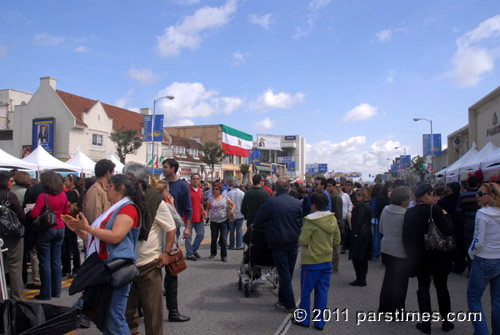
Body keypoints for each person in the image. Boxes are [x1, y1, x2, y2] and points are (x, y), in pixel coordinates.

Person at [66, 174, 144, 334]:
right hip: (106, 268)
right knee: (107, 317)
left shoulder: (128, 208)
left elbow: (116, 236)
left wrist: (88, 229)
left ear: (121, 188)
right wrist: (80, 230)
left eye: (109, 187)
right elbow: (98, 239)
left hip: (116, 269)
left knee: (113, 317)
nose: (106, 190)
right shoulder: (116, 208)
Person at [123, 163, 176, 335]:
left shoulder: (154, 200)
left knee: (152, 314)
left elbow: (171, 228)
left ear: (138, 181)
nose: (125, 184)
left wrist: (166, 253)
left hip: (148, 265)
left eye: (128, 180)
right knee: (127, 313)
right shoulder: (123, 200)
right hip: (125, 264)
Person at [403, 183, 455, 334]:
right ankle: (446, 322)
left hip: (420, 257)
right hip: (439, 255)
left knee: (423, 289)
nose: (435, 197)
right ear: (426, 195)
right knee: (442, 288)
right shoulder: (436, 210)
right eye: (433, 194)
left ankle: (426, 323)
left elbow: (406, 237)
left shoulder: (410, 212)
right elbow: (448, 230)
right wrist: (447, 217)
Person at [253, 179, 302, 312]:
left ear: (276, 189)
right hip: (293, 241)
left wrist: (257, 226)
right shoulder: (297, 203)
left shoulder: (271, 202)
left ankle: (289, 303)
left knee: (284, 273)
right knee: (287, 273)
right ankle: (283, 299)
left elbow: (258, 221)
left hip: (278, 241)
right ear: (289, 189)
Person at [294, 192, 340, 330]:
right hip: (326, 260)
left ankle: (304, 319)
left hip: (311, 261)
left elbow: (303, 240)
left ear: (313, 205)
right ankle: (320, 321)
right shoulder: (333, 219)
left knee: (306, 292)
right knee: (322, 291)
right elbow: (337, 240)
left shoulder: (310, 220)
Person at [467, 182, 500, 335]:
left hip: (484, 258)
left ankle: (482, 332)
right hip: (498, 258)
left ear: (492, 196)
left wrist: (471, 253)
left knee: (473, 299)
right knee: (497, 301)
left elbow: (478, 241)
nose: (477, 196)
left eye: (481, 194)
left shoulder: (483, 213)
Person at [30, 170, 68, 300]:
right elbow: (66, 211)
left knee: (44, 261)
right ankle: (56, 290)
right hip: (60, 228)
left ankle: (46, 292)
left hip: (47, 229)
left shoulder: (43, 196)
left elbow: (34, 214)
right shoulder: (63, 195)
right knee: (56, 260)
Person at [161, 158, 191, 322]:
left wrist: (187, 227)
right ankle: (141, 307)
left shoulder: (182, 186)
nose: (163, 169)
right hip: (158, 233)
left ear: (173, 169)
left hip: (173, 231)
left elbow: (188, 209)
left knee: (172, 270)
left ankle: (173, 311)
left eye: (165, 167)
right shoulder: (160, 184)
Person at [378, 186, 411, 313]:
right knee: (401, 282)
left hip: (386, 248)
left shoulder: (386, 210)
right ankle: (398, 310)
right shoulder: (406, 214)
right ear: (404, 200)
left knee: (388, 279)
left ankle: (384, 307)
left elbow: (381, 229)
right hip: (400, 251)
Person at [0, 171, 25, 299]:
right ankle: (16, 298)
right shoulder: (10, 196)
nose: (13, 183)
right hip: (12, 235)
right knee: (15, 266)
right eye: (11, 181)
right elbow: (21, 215)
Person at [348, 187, 372, 287]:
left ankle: (360, 278)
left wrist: (355, 233)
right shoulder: (365, 206)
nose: (356, 196)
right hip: (365, 234)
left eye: (359, 195)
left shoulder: (362, 207)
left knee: (357, 257)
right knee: (362, 258)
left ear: (364, 196)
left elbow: (359, 221)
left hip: (360, 235)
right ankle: (362, 278)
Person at [205, 182, 235, 262]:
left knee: (223, 239)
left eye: (217, 189)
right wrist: (206, 215)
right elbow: (207, 209)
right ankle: (213, 253)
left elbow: (233, 205)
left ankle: (224, 256)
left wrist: (232, 210)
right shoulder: (210, 199)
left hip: (223, 221)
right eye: (213, 189)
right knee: (214, 238)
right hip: (214, 222)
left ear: (220, 190)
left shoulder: (225, 198)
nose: (215, 190)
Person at [82, 159, 115, 225]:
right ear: (108, 173)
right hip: (98, 232)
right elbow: (94, 216)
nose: (114, 175)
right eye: (113, 172)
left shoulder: (106, 189)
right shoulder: (96, 190)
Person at [62, 174, 81, 278]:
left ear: (72, 181)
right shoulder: (70, 192)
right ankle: (67, 268)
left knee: (72, 244)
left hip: (71, 219)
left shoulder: (73, 192)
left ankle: (75, 268)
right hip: (69, 219)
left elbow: (68, 204)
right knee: (68, 245)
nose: (65, 183)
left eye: (67, 181)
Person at [185, 173, 206, 261]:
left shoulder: (200, 190)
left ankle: (193, 250)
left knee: (201, 234)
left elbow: (201, 203)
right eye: (194, 179)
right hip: (189, 217)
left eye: (197, 179)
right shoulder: (187, 190)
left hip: (198, 217)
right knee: (188, 237)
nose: (196, 180)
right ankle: (189, 254)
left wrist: (203, 211)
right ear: (191, 180)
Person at [227, 178, 245, 250]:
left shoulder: (229, 193)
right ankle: (239, 244)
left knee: (231, 230)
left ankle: (232, 245)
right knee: (239, 229)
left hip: (231, 213)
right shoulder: (242, 193)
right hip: (240, 213)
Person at [370, 184, 384, 261]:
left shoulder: (372, 198)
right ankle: (376, 253)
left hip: (373, 218)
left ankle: (374, 252)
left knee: (375, 236)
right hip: (377, 218)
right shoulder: (379, 198)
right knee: (378, 237)